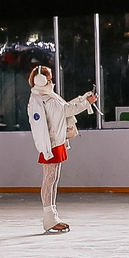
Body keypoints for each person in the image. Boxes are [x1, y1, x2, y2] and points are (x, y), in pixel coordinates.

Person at [25, 64, 97, 233]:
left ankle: (52, 216)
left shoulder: (46, 96)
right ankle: (49, 218)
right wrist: (86, 102)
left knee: (53, 179)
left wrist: (82, 99)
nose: (51, 80)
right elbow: (66, 110)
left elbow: (63, 108)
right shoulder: (44, 99)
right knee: (50, 179)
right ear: (41, 80)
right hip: (51, 144)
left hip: (55, 142)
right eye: (49, 78)